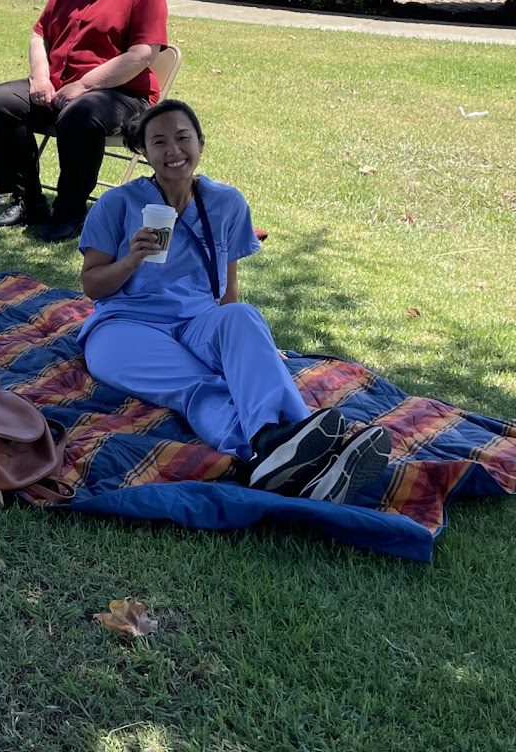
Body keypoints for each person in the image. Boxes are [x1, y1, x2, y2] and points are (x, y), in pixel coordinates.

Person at [78, 99, 392, 505]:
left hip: (198, 324)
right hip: (125, 327)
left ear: (201, 143)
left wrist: (248, 346)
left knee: (242, 317)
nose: (173, 151)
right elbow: (92, 286)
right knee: (200, 387)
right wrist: (131, 259)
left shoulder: (225, 203)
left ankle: (291, 438)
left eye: (182, 138)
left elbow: (227, 290)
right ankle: (283, 455)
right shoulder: (117, 204)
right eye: (159, 142)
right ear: (144, 153)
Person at [0, 0, 169, 242]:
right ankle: (29, 201)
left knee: (81, 114)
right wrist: (39, 78)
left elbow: (143, 52)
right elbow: (40, 34)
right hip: (58, 85)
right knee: (0, 102)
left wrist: (84, 85)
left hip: (120, 95)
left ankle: (70, 211)